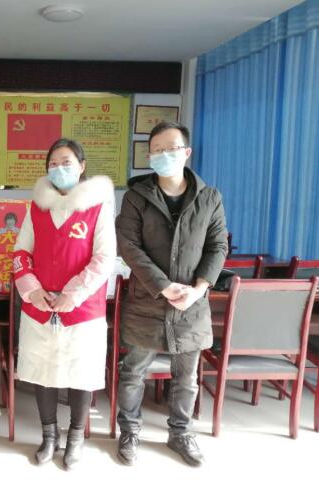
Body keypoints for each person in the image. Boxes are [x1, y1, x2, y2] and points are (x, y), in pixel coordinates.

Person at [115, 121, 228, 467]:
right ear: (149, 155)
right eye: (157, 150)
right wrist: (163, 286)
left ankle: (181, 433)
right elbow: (128, 245)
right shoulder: (137, 196)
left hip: (192, 305)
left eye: (172, 148)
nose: (164, 155)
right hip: (147, 301)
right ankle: (129, 431)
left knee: (187, 377)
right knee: (133, 372)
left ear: (187, 152)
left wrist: (198, 289)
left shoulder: (209, 198)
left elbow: (218, 246)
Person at [13, 138, 116, 470]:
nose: (59, 168)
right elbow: (21, 252)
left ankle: (75, 438)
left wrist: (74, 293)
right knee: (41, 371)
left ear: (82, 166)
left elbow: (104, 258)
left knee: (80, 374)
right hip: (40, 305)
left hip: (82, 308)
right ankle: (49, 436)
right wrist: (32, 290)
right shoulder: (36, 208)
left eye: (67, 162)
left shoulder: (98, 206)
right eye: (53, 163)